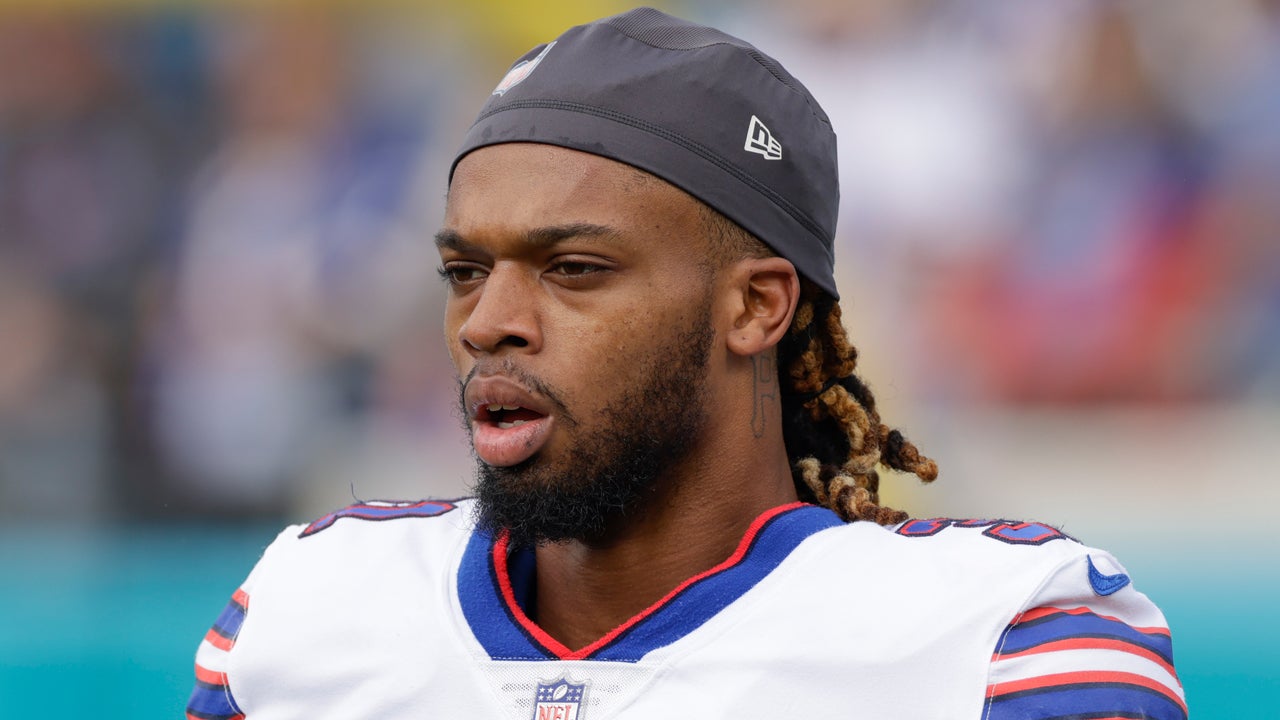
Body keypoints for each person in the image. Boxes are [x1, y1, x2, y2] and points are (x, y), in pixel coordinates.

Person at [186, 8, 1185, 719]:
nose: (488, 322)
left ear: (753, 306)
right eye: (464, 269)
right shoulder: (307, 613)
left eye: (572, 269)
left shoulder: (1004, 643)